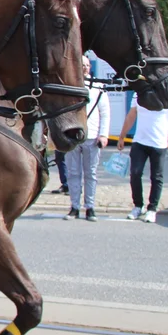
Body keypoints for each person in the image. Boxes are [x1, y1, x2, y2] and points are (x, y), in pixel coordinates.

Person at [117, 93, 168, 223]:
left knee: (156, 177)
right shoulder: (139, 93)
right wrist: (122, 136)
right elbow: (132, 114)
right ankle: (138, 206)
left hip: (158, 143)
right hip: (140, 141)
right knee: (135, 173)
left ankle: (152, 208)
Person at [64, 56, 110, 221]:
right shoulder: (69, 84)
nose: (84, 67)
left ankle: (90, 207)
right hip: (73, 136)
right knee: (73, 173)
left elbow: (105, 113)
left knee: (91, 174)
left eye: (87, 65)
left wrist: (103, 134)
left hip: (92, 136)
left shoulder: (98, 86)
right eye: (81, 64)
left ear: (90, 67)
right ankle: (74, 207)